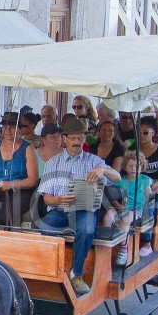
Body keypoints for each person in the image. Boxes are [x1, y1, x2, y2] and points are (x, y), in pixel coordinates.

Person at [37, 118, 121, 297]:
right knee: (45, 227)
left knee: (87, 227)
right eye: (73, 138)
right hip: (60, 209)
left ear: (84, 140)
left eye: (81, 138)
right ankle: (52, 271)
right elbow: (47, 199)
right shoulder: (53, 163)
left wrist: (103, 170)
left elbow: (117, 177)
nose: (77, 142)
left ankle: (77, 274)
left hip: (84, 210)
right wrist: (59, 199)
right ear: (65, 139)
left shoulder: (93, 160)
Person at [0, 111, 40, 225]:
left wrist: (11, 184)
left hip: (21, 191)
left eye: (12, 127)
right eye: (5, 126)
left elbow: (33, 180)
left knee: (8, 213)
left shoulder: (27, 148)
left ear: (19, 129)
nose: (8, 130)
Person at [103, 152, 156, 265]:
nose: (133, 169)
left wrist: (156, 193)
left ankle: (123, 249)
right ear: (125, 167)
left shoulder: (145, 180)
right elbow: (113, 196)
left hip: (137, 209)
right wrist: (118, 205)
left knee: (126, 218)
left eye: (136, 166)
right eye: (130, 166)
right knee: (107, 217)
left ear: (142, 167)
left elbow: (149, 195)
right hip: (122, 207)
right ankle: (106, 247)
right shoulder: (121, 180)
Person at [134, 115, 158, 190]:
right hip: (137, 187)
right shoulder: (133, 150)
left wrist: (151, 187)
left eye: (145, 132)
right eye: (139, 132)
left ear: (153, 133)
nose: (141, 135)